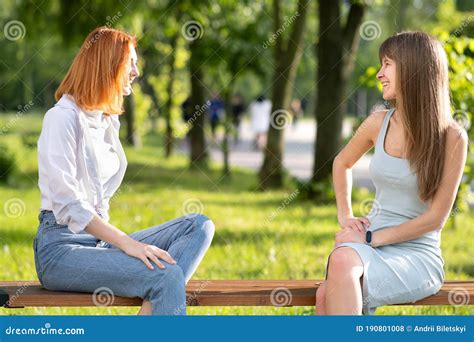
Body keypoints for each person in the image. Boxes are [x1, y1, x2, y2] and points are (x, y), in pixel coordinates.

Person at [34, 27, 214, 316]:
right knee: (165, 276)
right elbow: (69, 205)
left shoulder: (106, 122)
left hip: (99, 244)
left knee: (199, 226)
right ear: (108, 65)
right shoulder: (61, 119)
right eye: (130, 63)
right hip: (62, 250)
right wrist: (128, 245)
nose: (136, 72)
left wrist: (123, 246)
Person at [316, 32, 468, 315]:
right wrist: (347, 219)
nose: (379, 74)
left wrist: (370, 239)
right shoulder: (377, 122)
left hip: (417, 255)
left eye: (387, 64)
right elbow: (341, 163)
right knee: (328, 291)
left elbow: (435, 219)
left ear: (413, 69)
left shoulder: (452, 137)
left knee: (335, 278)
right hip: (369, 246)